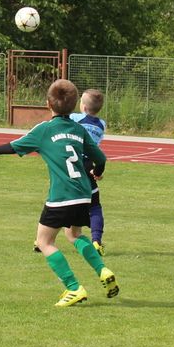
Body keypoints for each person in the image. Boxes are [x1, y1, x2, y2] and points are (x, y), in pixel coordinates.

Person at [0, 79, 120, 307]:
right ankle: (103, 270)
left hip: (62, 196)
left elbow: (15, 146)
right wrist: (97, 172)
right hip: (84, 193)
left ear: (48, 104)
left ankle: (73, 288)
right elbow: (101, 159)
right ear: (74, 106)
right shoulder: (79, 129)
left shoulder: (44, 130)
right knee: (74, 235)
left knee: (44, 241)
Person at [69, 88, 108, 255]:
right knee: (95, 206)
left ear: (83, 107)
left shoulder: (75, 118)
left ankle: (41, 239)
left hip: (72, 164)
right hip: (89, 166)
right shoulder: (102, 124)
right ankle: (96, 240)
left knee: (60, 201)